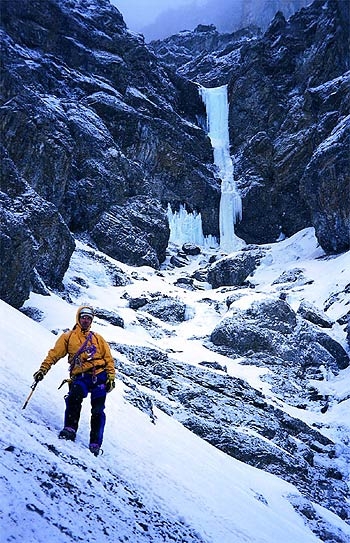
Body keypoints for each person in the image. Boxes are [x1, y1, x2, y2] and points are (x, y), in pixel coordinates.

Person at [33, 305, 115, 456]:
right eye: (83, 317)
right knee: (74, 396)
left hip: (100, 376)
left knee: (98, 410)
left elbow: (108, 359)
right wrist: (43, 369)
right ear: (78, 318)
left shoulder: (98, 339)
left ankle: (95, 443)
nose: (86, 320)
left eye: (89, 318)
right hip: (81, 376)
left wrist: (111, 376)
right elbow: (54, 354)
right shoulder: (68, 337)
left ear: (91, 321)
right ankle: (70, 429)